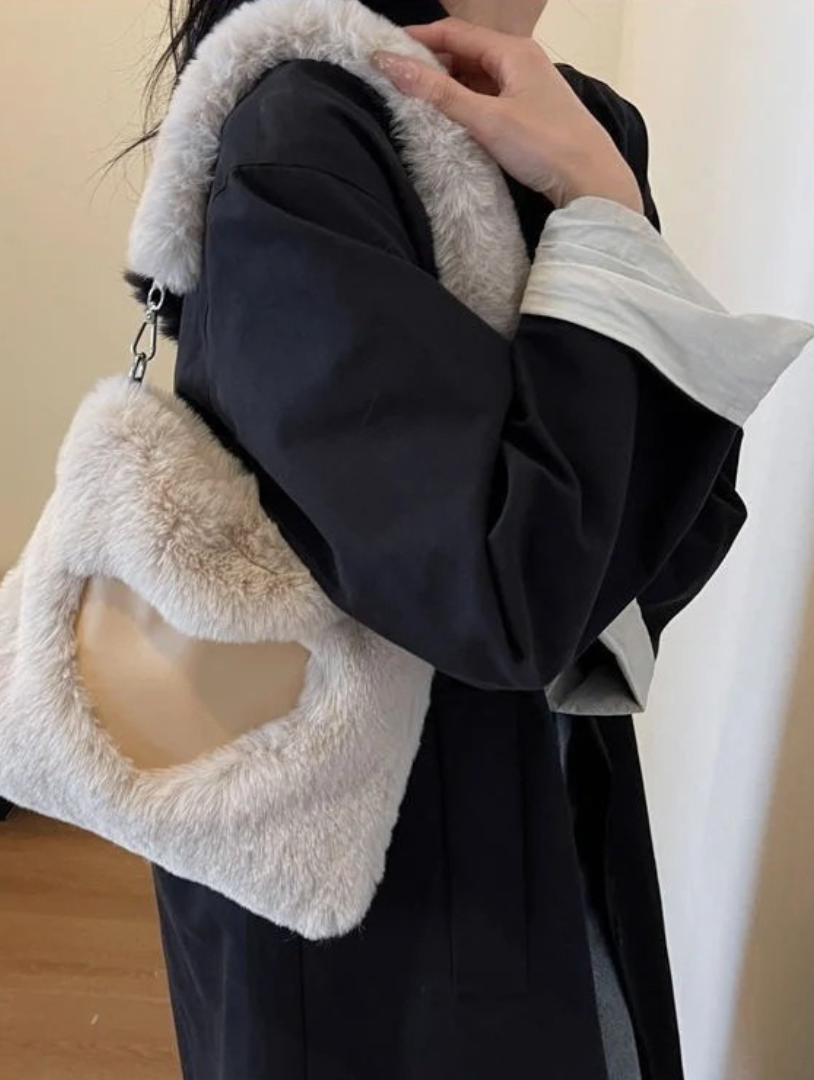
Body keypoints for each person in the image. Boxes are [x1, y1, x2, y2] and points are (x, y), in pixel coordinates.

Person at [115, 1, 814, 1077]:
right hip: (360, 852)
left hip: (537, 795)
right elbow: (504, 591)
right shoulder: (306, 129)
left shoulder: (575, 121)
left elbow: (662, 524)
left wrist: (602, 194)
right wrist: (602, 212)